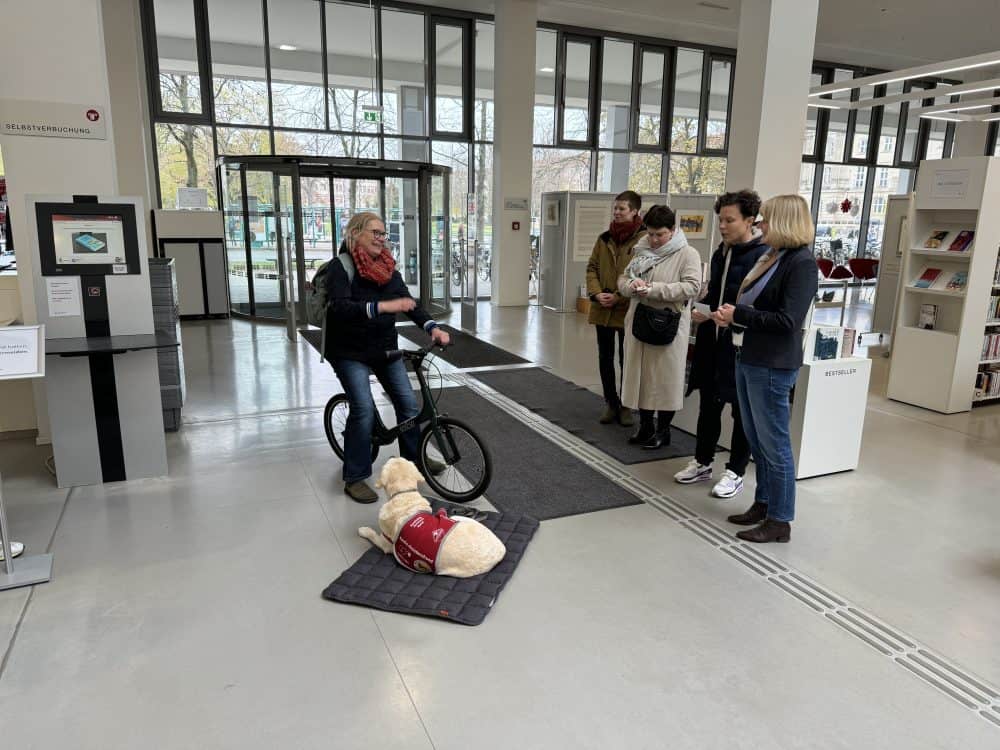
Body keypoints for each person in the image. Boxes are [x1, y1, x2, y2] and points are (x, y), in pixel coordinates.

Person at [712, 194, 818, 543]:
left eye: (766, 220)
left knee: (775, 445)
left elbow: (788, 320)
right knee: (758, 442)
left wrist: (738, 315)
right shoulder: (775, 257)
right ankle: (764, 503)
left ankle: (780, 520)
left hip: (771, 365)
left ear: (785, 222)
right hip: (750, 356)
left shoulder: (801, 263)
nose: (761, 225)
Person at [324, 211, 450, 503]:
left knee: (408, 405)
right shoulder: (340, 267)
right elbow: (339, 308)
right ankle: (355, 476)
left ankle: (414, 461)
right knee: (364, 409)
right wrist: (379, 308)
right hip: (349, 351)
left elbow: (409, 304)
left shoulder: (388, 268)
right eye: (375, 233)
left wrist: (432, 327)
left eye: (383, 234)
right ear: (356, 233)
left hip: (383, 347)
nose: (382, 238)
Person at [674, 190, 769, 499]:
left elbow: (761, 305)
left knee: (741, 411)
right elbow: (715, 292)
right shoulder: (721, 252)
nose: (723, 226)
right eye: (721, 220)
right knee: (708, 404)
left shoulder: (763, 255)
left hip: (741, 345)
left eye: (730, 220)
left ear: (749, 221)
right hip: (712, 341)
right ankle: (702, 461)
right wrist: (703, 311)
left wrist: (732, 317)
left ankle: (736, 471)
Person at [618, 205, 701, 449]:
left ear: (673, 230)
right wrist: (631, 286)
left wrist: (653, 289)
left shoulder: (688, 254)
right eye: (651, 233)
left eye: (660, 235)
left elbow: (692, 287)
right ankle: (645, 427)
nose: (654, 240)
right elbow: (623, 279)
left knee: (665, 379)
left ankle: (663, 432)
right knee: (640, 376)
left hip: (668, 325)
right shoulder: (640, 250)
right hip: (640, 322)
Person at [585, 190, 646, 427]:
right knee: (605, 357)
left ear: (634, 211)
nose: (617, 212)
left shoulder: (643, 241)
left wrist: (619, 296)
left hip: (627, 309)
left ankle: (627, 405)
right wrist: (597, 293)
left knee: (627, 359)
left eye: (622, 208)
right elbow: (592, 267)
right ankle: (611, 402)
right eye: (616, 208)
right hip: (602, 308)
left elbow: (641, 274)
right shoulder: (604, 238)